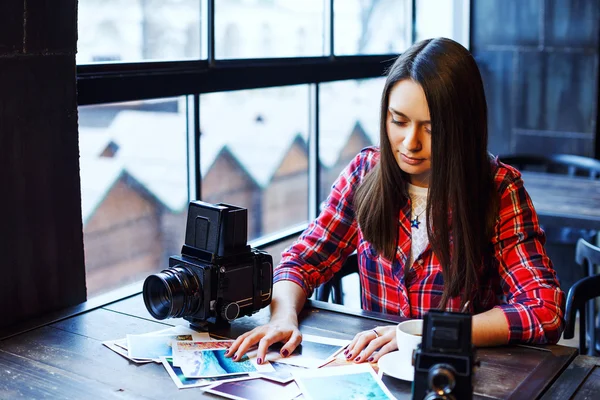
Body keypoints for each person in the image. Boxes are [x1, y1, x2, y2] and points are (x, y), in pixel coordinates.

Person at [225, 37, 564, 366]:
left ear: (463, 128)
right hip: (372, 370)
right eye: (398, 121)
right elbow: (301, 261)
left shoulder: (498, 188)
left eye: (431, 129)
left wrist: (426, 334)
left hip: (458, 373)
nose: (410, 142)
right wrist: (283, 317)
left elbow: (543, 308)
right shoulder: (364, 172)